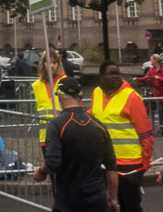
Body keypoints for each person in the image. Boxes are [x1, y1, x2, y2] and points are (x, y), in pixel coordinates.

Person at [34, 76, 119, 212]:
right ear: (81, 96)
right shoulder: (99, 125)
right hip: (97, 200)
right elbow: (111, 166)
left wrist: (41, 171)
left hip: (68, 201)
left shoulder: (56, 125)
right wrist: (114, 200)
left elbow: (53, 162)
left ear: (59, 96)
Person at [91, 61, 153, 212]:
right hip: (107, 163)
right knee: (113, 205)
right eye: (111, 73)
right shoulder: (96, 93)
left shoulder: (131, 97)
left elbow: (146, 134)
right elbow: (92, 117)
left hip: (129, 164)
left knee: (131, 206)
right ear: (101, 77)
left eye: (117, 73)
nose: (115, 76)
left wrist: (144, 164)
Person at [32, 50, 67, 153]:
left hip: (63, 135)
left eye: (54, 62)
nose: (52, 66)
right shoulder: (36, 85)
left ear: (58, 63)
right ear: (43, 63)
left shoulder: (65, 82)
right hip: (45, 137)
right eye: (48, 62)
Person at [140, 54, 163, 136]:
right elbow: (147, 77)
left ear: (156, 60)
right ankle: (162, 128)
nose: (151, 61)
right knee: (160, 110)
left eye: (151, 60)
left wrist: (159, 78)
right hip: (158, 93)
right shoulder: (152, 69)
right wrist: (140, 79)